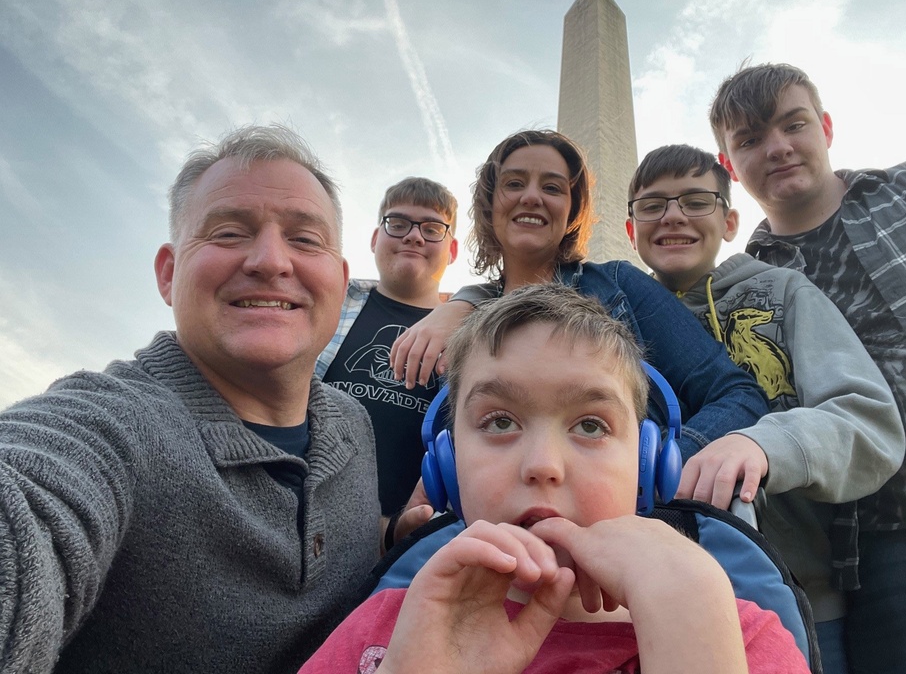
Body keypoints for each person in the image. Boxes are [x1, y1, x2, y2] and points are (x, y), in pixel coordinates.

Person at [0, 125, 424, 673]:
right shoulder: (110, 427)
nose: (271, 261)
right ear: (169, 274)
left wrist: (389, 533)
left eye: (304, 239)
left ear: (341, 283)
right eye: (228, 233)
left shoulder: (351, 424)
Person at [300, 284, 810, 673]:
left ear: (650, 463)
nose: (543, 464)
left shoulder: (737, 631)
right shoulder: (386, 628)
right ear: (446, 467)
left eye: (591, 425)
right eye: (500, 422)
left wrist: (689, 625)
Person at [710, 62, 906, 673]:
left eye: (794, 124)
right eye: (751, 139)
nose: (779, 147)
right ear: (729, 163)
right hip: (888, 566)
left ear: (827, 127)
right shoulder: (742, 294)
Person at [625, 143, 904, 673]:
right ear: (630, 227)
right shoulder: (609, 318)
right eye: (653, 204)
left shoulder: (783, 293)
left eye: (695, 200)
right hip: (639, 605)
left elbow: (867, 420)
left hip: (798, 597)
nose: (674, 215)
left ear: (729, 221)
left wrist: (762, 443)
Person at [389, 129, 769, 455]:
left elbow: (736, 394)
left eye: (552, 187)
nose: (532, 197)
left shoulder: (618, 285)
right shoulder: (455, 323)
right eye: (514, 183)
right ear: (490, 207)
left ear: (572, 212)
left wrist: (656, 471)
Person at [316, 177, 458, 515]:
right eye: (397, 223)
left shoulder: (473, 332)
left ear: (451, 251)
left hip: (410, 544)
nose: (414, 235)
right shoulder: (324, 302)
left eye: (432, 228)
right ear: (375, 238)